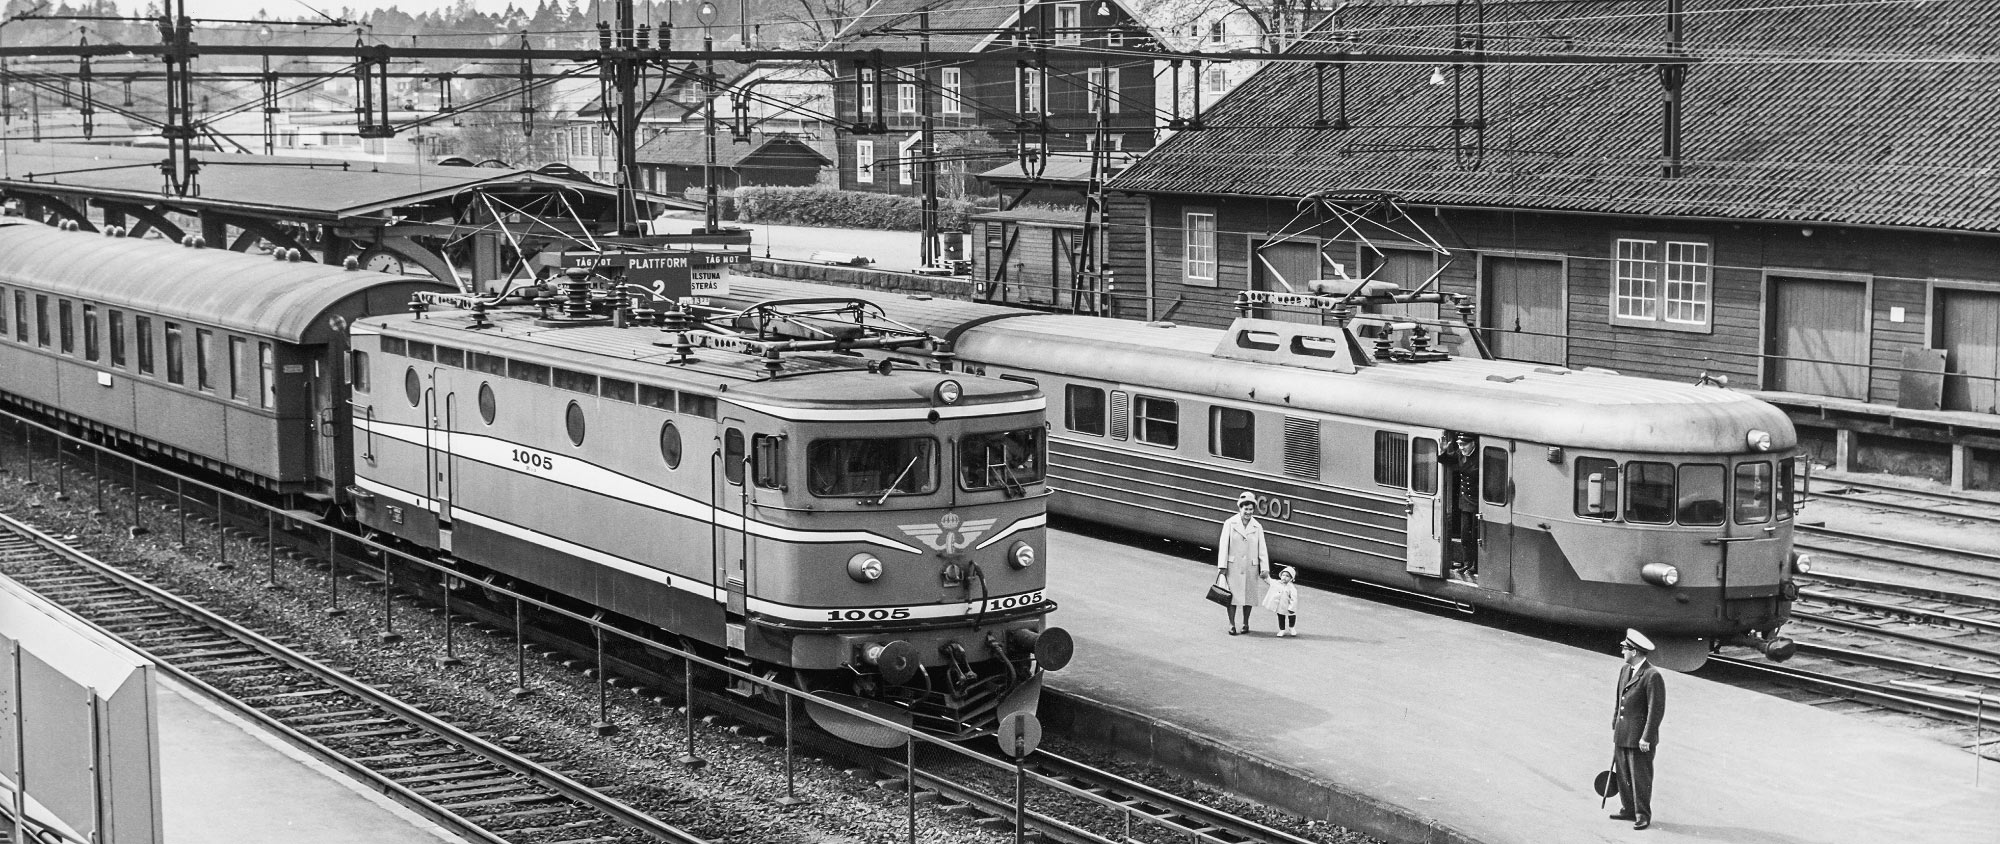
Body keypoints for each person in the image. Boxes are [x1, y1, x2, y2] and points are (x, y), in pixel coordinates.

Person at [1611, 629, 1667, 831]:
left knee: (1640, 777)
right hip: (1623, 732)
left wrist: (1647, 737)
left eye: (1624, 649)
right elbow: (1619, 698)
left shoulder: (1652, 676)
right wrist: (1615, 721)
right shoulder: (1625, 670)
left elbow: (1655, 711)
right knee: (1623, 773)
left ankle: (1642, 814)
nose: (1622, 651)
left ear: (1634, 652)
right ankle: (1628, 808)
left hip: (1640, 738)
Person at [1216, 491, 1270, 635]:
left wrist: (1264, 568)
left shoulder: (1257, 526)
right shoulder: (1230, 523)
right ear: (1240, 508)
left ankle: (1246, 623)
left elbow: (1262, 548)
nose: (1248, 512)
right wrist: (1222, 566)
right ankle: (1232, 624)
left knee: (1248, 598)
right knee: (1232, 597)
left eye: (1251, 509)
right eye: (1245, 509)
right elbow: (1224, 545)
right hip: (1233, 567)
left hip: (1250, 567)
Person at [1261, 565, 1299, 637]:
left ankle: (1292, 627)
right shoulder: (1276, 583)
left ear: (1291, 578)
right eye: (1283, 575)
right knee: (1281, 617)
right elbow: (1269, 580)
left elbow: (1294, 599)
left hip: (1288, 606)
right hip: (1280, 606)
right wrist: (1265, 575)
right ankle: (1282, 629)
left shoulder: (1291, 588)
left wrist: (1292, 608)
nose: (1284, 577)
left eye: (1287, 576)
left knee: (1291, 617)